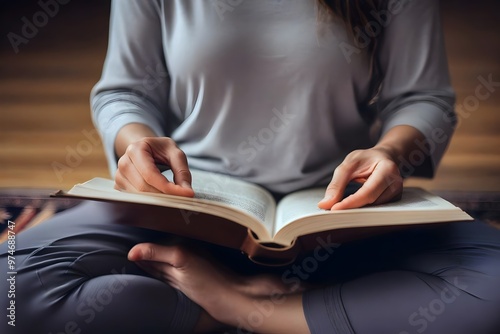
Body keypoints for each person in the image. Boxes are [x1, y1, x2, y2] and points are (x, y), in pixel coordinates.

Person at [2, 0, 500, 333]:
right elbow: (124, 91)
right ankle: (317, 308)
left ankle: (232, 305)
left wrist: (390, 153)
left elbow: (423, 98)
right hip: (185, 210)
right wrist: (134, 145)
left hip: (344, 218)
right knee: (9, 290)